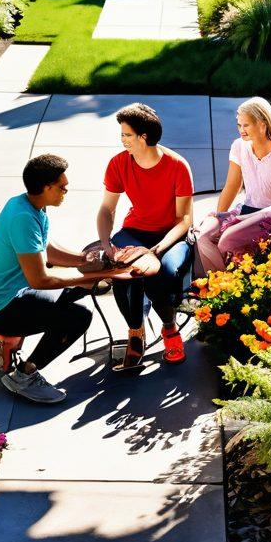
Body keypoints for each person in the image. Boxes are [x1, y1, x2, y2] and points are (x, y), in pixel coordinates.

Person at [0, 154, 94, 405]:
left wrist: (84, 261)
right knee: (79, 316)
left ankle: (9, 348)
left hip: (9, 296)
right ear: (46, 187)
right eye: (62, 187)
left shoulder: (29, 205)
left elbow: (45, 250)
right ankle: (24, 376)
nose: (66, 190)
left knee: (77, 292)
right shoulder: (23, 217)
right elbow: (40, 280)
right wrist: (94, 276)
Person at [96, 103, 194, 372]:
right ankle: (135, 331)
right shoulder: (118, 163)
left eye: (127, 135)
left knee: (161, 274)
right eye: (122, 134)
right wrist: (106, 244)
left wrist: (155, 251)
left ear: (144, 137)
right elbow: (107, 209)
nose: (122, 140)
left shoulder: (177, 166)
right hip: (135, 231)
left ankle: (169, 329)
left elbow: (184, 220)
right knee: (121, 274)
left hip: (171, 236)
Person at [196, 97, 271, 274]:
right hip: (248, 208)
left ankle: (226, 283)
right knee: (204, 236)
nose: (241, 130)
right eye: (239, 125)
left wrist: (243, 220)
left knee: (226, 240)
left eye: (246, 125)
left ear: (262, 124)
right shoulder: (238, 146)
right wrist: (220, 217)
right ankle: (219, 283)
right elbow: (232, 186)